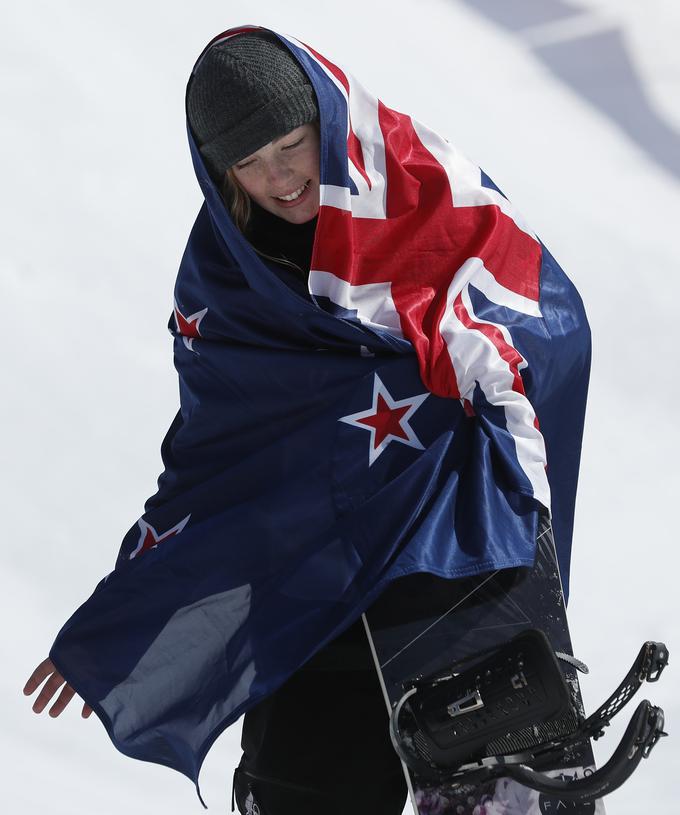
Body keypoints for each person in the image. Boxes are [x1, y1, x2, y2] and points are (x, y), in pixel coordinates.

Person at [24, 24, 591, 815]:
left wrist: (481, 384)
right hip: (307, 582)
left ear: (323, 120)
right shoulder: (223, 278)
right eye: (246, 164)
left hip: (442, 558)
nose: (278, 177)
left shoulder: (422, 192)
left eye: (289, 143)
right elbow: (217, 458)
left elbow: (544, 327)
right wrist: (122, 615)